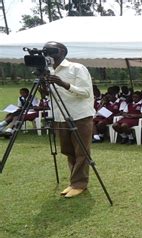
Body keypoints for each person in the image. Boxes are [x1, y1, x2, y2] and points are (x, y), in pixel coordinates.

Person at [43, 41, 96, 198]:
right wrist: (44, 86)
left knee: (81, 151)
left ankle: (79, 184)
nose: (48, 53)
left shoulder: (77, 68)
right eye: (45, 51)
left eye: (52, 50)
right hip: (60, 116)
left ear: (62, 52)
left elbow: (86, 92)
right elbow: (48, 95)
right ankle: (74, 181)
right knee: (68, 150)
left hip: (79, 115)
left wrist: (64, 84)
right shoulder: (48, 71)